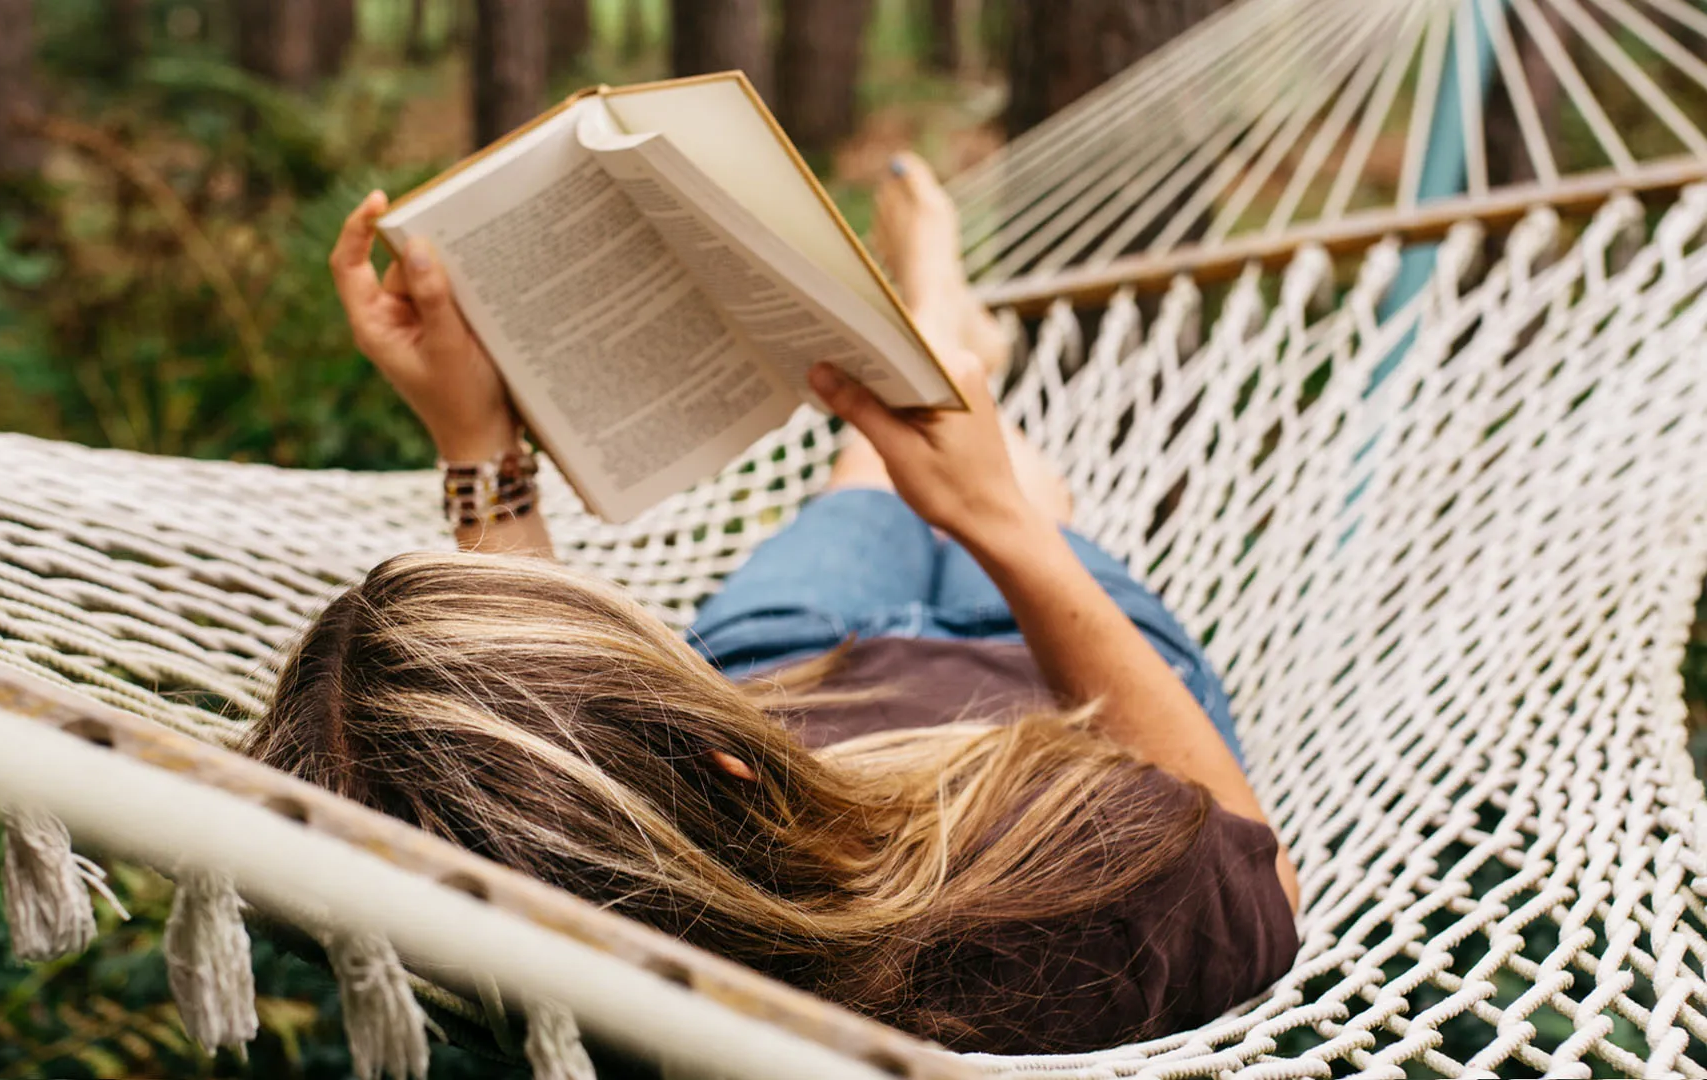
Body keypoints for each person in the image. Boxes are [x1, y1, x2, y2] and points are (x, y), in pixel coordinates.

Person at [249, 154, 1300, 1055]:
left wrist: (479, 447)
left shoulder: (572, 918)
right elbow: (1256, 869)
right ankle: (943, 320)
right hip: (1055, 692)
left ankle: (939, 322)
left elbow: (514, 745)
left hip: (790, 668)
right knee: (991, 480)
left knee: (881, 470)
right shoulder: (1060, 908)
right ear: (720, 758)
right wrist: (1003, 526)